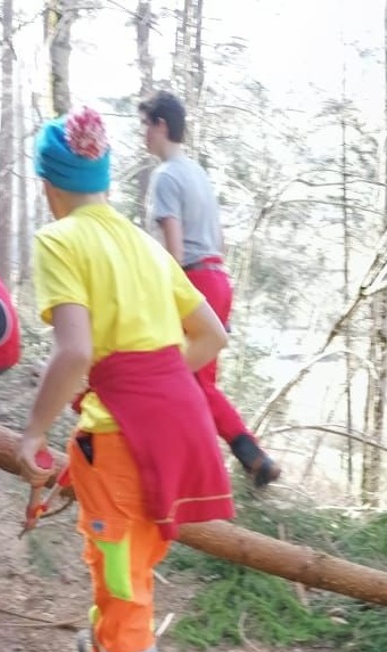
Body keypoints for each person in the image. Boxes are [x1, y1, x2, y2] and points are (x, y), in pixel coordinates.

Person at [18, 106, 235, 652]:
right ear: (104, 178)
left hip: (121, 443)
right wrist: (148, 376)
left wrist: (33, 431)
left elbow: (75, 352)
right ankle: (109, 649)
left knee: (123, 585)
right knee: (125, 562)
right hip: (180, 430)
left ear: (50, 184)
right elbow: (210, 336)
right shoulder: (144, 244)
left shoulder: (60, 240)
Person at [140, 90, 280, 486]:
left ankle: (229, 461)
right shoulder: (197, 173)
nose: (142, 136)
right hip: (217, 277)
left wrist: (163, 295)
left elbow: (174, 247)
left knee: (184, 379)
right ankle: (244, 459)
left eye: (145, 125)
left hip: (191, 279)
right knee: (199, 383)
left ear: (161, 125)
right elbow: (221, 241)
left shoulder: (166, 176)